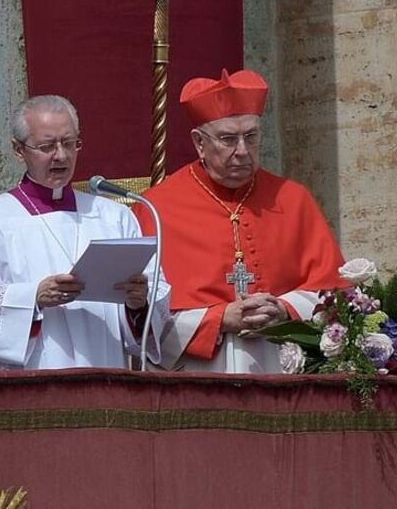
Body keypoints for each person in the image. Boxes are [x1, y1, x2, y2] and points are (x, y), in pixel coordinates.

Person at [133, 69, 345, 373]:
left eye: (251, 136)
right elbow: (141, 316)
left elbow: (335, 291)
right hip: (197, 374)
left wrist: (284, 309)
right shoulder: (156, 208)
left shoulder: (293, 198)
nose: (242, 151)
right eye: (228, 139)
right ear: (199, 143)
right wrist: (218, 319)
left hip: (283, 367)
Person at [0, 95, 169, 369]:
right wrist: (32, 297)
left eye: (69, 143)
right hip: (29, 379)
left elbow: (157, 290)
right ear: (18, 150)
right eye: (47, 146)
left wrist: (138, 303)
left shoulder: (114, 217)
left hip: (102, 369)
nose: (61, 155)